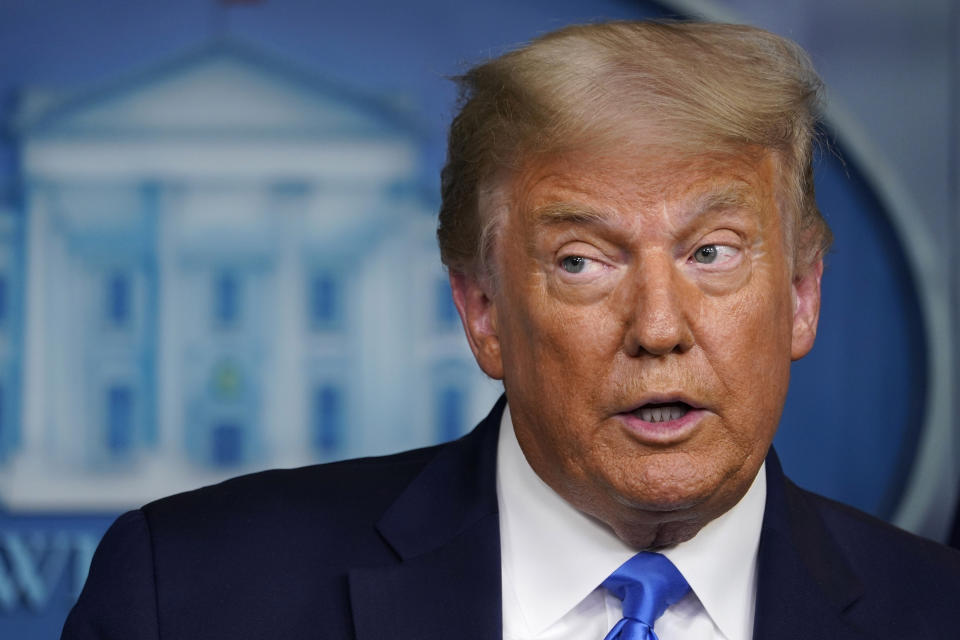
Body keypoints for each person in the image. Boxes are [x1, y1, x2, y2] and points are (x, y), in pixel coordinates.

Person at [62, 21, 960, 640]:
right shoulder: (188, 597)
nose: (658, 328)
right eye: (582, 261)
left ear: (802, 296)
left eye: (714, 252)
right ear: (482, 311)